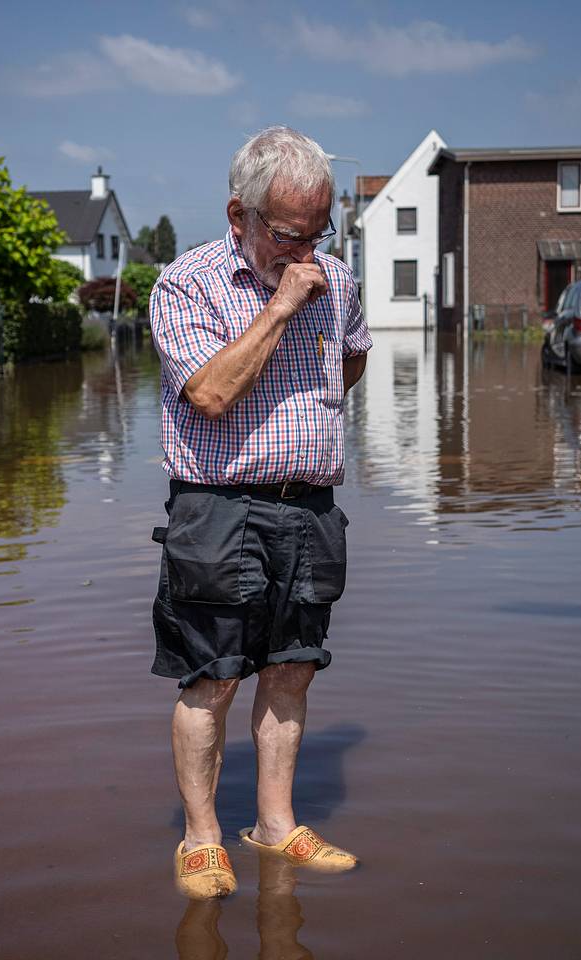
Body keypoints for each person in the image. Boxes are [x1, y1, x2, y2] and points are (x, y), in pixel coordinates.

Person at [148, 126, 372, 899]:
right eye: (289, 234)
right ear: (238, 214)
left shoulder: (335, 279)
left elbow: (353, 355)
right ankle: (202, 837)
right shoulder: (186, 284)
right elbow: (210, 395)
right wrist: (278, 309)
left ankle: (275, 827)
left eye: (319, 232)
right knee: (212, 679)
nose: (307, 251)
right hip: (218, 506)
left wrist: (311, 413)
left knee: (291, 672)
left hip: (310, 508)